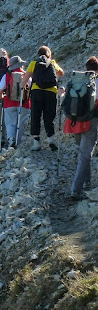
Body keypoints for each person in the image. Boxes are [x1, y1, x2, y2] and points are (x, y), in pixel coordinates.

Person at [65, 56, 98, 201]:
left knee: (82, 154)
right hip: (91, 122)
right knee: (85, 156)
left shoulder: (77, 81)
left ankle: (87, 181)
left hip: (75, 121)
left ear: (86, 68)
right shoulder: (95, 82)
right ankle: (75, 190)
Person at [21, 45, 64, 151]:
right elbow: (61, 73)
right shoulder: (52, 63)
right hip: (51, 92)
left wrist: (21, 87)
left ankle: (36, 142)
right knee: (49, 116)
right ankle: (51, 140)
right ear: (49, 54)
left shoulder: (33, 63)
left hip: (37, 91)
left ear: (38, 54)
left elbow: (25, 79)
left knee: (35, 115)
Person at [0, 56, 31, 149]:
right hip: (24, 104)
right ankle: (17, 142)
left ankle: (11, 140)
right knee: (20, 122)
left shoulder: (7, 76)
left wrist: (2, 97)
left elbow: (0, 91)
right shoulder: (26, 75)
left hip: (9, 103)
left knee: (10, 122)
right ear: (20, 65)